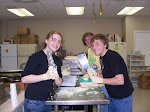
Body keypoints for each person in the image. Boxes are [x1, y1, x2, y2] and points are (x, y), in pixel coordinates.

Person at [87, 34, 134, 112]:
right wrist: (97, 73)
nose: (94, 47)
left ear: (105, 44)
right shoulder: (102, 57)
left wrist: (99, 80)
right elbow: (108, 71)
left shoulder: (113, 57)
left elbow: (120, 81)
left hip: (122, 97)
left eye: (97, 44)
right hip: (112, 95)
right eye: (92, 45)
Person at [21, 31, 63, 112]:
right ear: (46, 41)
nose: (56, 43)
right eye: (53, 40)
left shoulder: (56, 60)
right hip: (34, 101)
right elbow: (24, 79)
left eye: (59, 41)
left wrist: (57, 77)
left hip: (47, 100)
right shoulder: (36, 57)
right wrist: (45, 76)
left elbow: (59, 83)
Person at [82, 32, 109, 112]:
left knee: (104, 103)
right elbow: (92, 63)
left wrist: (96, 72)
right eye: (86, 39)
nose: (88, 41)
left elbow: (103, 66)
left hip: (102, 81)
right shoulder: (90, 50)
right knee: (98, 103)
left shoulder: (98, 50)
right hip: (94, 79)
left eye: (89, 38)